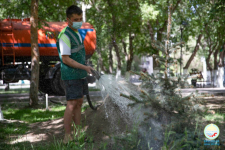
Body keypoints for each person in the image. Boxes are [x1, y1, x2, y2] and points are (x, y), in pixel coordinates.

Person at [56, 5, 93, 144]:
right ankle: (67, 136)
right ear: (68, 20)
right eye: (76, 19)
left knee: (79, 102)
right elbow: (65, 58)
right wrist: (85, 67)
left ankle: (77, 134)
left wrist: (85, 68)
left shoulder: (77, 32)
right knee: (71, 104)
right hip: (71, 75)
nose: (79, 21)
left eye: (80, 18)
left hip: (80, 74)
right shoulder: (65, 35)